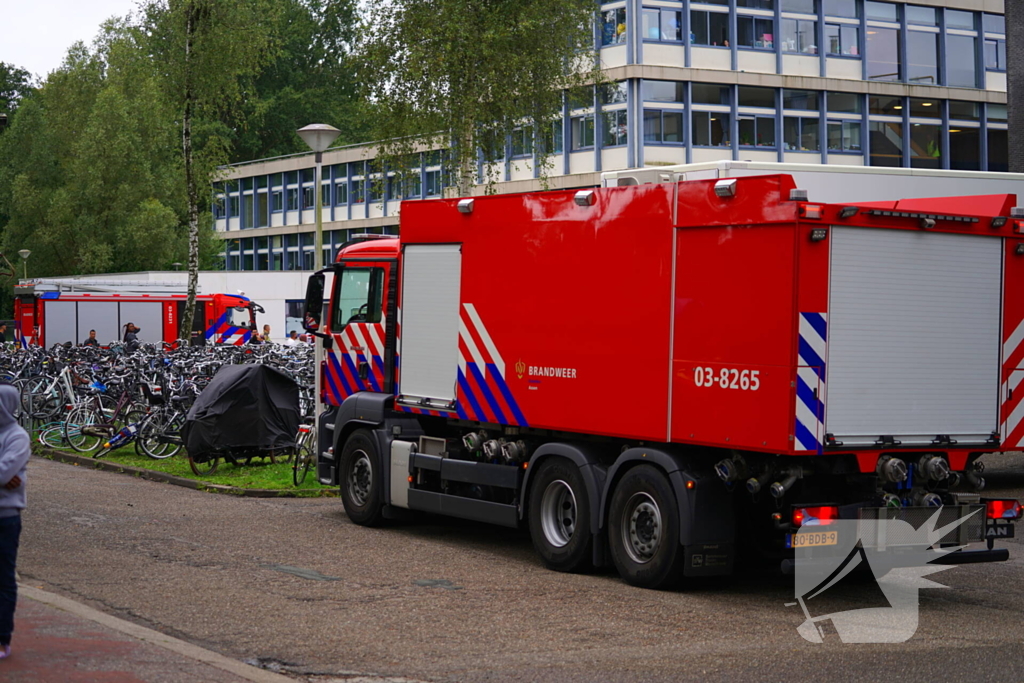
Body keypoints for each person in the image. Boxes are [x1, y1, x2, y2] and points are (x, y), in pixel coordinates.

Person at [0, 384, 30, 660]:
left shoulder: (17, 437)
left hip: (5, 516)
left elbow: (6, 471)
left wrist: (4, 475)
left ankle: (2, 638)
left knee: (3, 577)